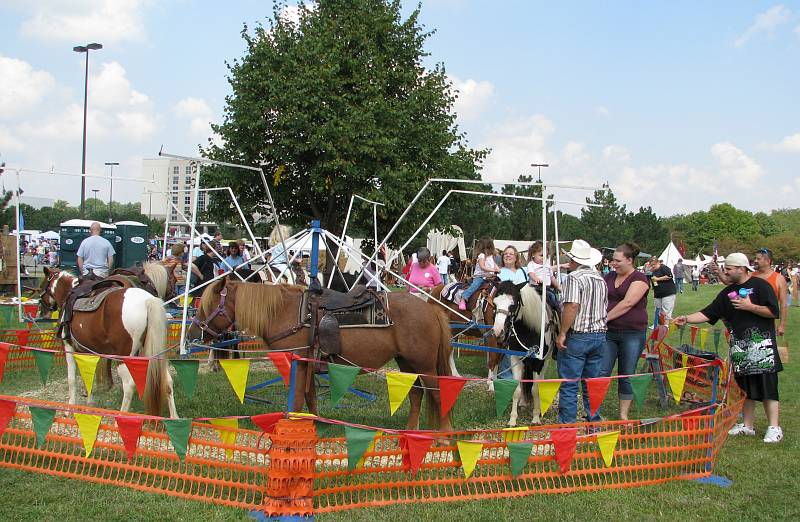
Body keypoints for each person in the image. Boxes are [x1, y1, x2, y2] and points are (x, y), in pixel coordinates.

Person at [674, 253, 783, 443]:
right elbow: (709, 312)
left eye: (729, 269)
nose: (725, 272)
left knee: (768, 386)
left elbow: (774, 312)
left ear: (741, 268)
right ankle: (748, 426)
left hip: (761, 345)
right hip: (739, 347)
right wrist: (687, 318)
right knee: (745, 388)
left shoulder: (761, 286)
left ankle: (775, 427)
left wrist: (750, 307)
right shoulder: (727, 293)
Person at [555, 239, 608, 425]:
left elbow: (572, 306)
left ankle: (567, 426)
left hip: (579, 335)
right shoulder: (600, 278)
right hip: (600, 334)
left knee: (569, 384)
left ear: (573, 260)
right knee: (591, 383)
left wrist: (562, 332)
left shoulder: (573, 278)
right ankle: (594, 422)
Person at [602, 242, 650, 420]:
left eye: (617, 260)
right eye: (612, 260)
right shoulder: (608, 277)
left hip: (632, 333)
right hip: (609, 333)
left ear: (630, 260)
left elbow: (628, 303)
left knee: (627, 373)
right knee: (601, 372)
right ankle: (593, 412)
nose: (613, 263)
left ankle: (623, 415)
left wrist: (603, 319)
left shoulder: (640, 279)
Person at [752, 248, 788, 337]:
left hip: (768, 324)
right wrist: (719, 273)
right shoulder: (750, 276)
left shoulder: (779, 279)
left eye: (758, 259)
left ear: (768, 261)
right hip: (749, 321)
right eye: (755, 258)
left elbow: (783, 304)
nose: (755, 261)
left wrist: (782, 325)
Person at [459, 237, 500, 311]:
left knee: (499, 284)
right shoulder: (481, 255)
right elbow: (482, 267)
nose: (489, 250)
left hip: (490, 277)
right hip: (480, 277)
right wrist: (493, 270)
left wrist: (498, 268)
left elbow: (494, 264)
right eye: (488, 248)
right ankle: (464, 298)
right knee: (475, 285)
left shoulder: (490, 256)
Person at [649, 257, 677, 323]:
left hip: (668, 293)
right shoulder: (654, 271)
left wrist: (657, 279)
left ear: (658, 262)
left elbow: (669, 276)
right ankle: (657, 324)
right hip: (658, 294)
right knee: (657, 310)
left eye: (654, 264)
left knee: (666, 310)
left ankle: (666, 325)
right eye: (651, 265)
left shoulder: (663, 268)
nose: (653, 266)